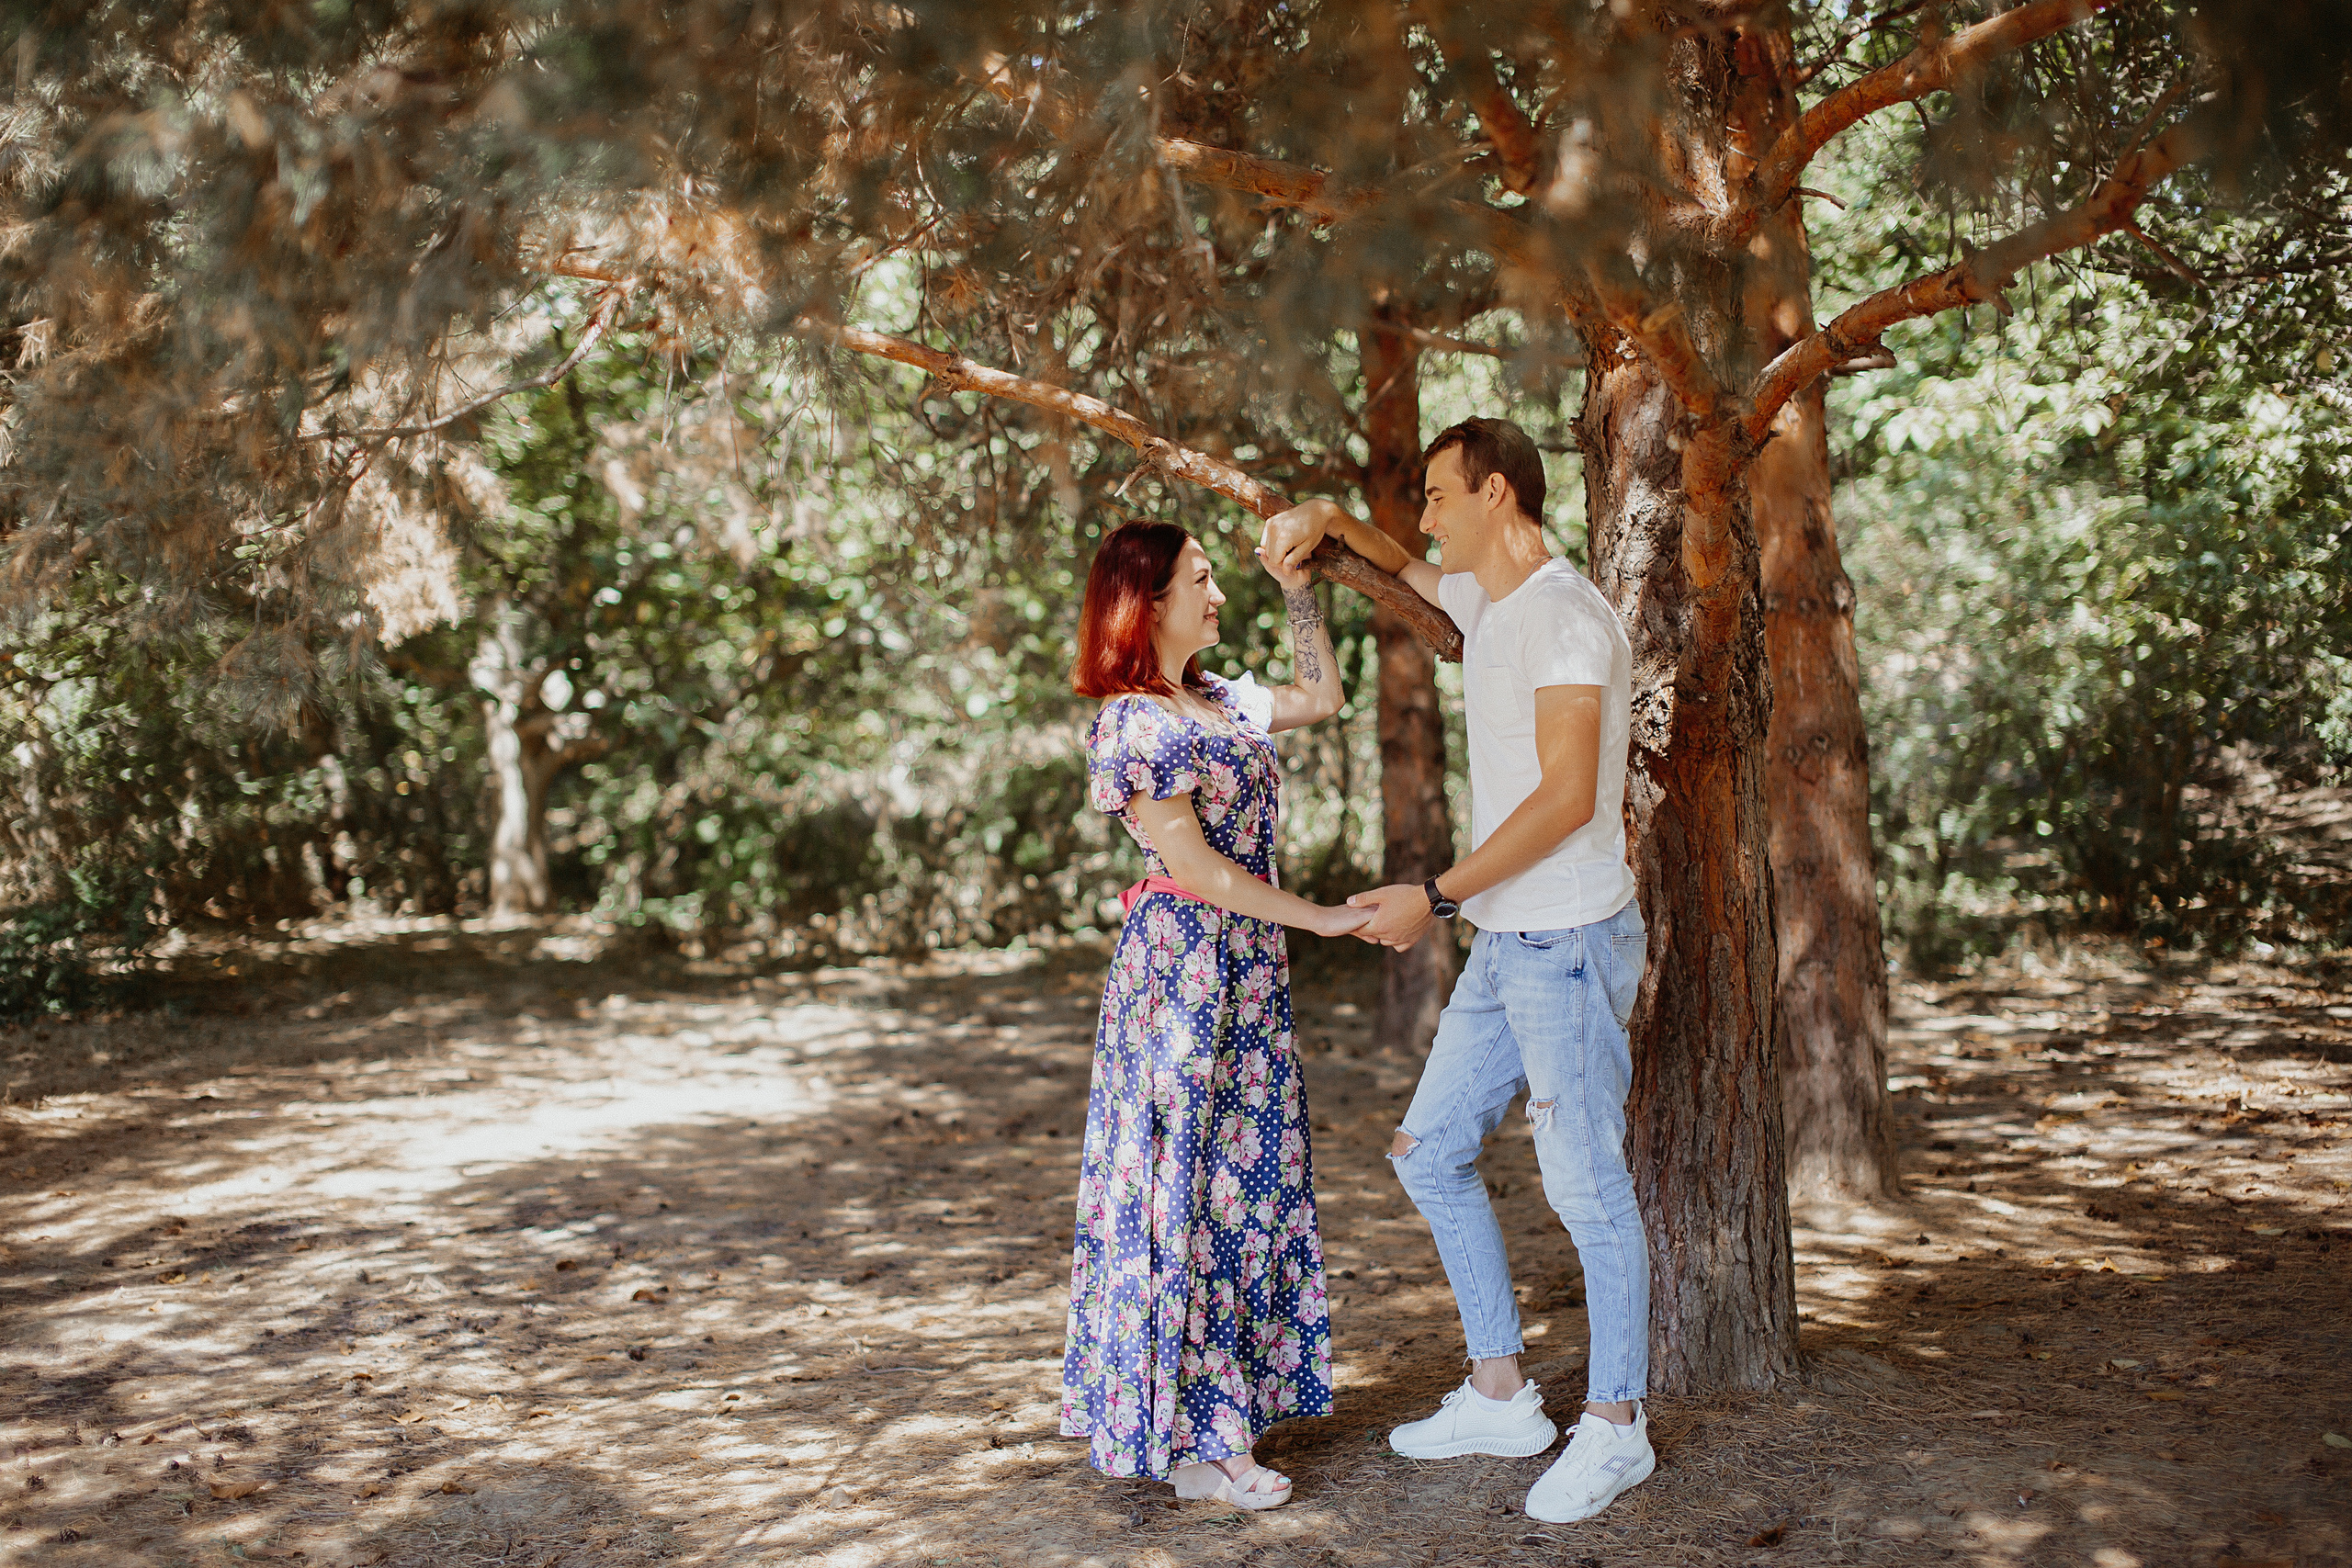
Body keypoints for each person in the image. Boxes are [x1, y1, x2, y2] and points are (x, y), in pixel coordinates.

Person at [1259, 417, 1655, 1526]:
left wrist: (1432, 895)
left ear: (1495, 492)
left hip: (1565, 940)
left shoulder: (1566, 618)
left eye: (1438, 496)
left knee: (1588, 1189)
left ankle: (1618, 1428)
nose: (1424, 519)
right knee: (1428, 1153)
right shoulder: (1491, 601)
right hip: (1505, 939)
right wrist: (1330, 522)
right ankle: (1500, 1391)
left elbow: (1570, 799)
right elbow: (1402, 566)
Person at [1058, 518, 1370, 1511]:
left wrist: (1297, 591)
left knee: (1243, 1187)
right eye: (1201, 579)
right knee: (1186, 1192)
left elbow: (1323, 694)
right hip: (1183, 981)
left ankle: (1214, 1424)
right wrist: (1318, 916)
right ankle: (1201, 1436)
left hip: (1245, 978)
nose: (1217, 594)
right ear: (1145, 600)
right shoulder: (1133, 724)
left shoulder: (1218, 702)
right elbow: (1191, 869)